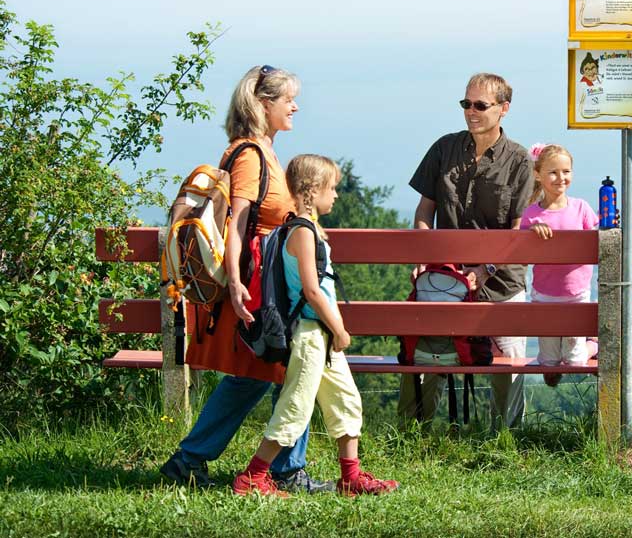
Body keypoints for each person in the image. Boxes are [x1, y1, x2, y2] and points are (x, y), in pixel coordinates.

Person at [160, 65, 332, 494]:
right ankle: (280, 470)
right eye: (287, 98)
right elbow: (237, 225)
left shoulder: (262, 151)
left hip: (265, 282)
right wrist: (236, 283)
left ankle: (195, 461)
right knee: (280, 370)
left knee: (262, 373)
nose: (295, 105)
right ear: (262, 104)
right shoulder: (252, 155)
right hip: (259, 286)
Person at [232, 155, 397, 497]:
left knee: (346, 400)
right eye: (331, 188)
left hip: (319, 334)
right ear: (312, 191)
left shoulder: (303, 228)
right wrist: (339, 329)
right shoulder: (303, 233)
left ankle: (351, 477)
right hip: (310, 335)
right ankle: (252, 478)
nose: (336, 195)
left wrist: (332, 330)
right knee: (295, 406)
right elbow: (311, 289)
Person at [399, 72, 533, 428]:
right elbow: (425, 212)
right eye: (466, 104)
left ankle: (504, 435)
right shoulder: (444, 148)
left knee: (510, 359)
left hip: (501, 285)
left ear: (504, 109)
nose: (470, 112)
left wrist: (485, 270)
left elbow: (518, 232)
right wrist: (427, 260)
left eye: (480, 105)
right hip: (446, 280)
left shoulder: (519, 161)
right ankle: (413, 432)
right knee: (428, 354)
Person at [519, 144, 599, 387]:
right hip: (545, 296)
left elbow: (596, 240)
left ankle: (593, 344)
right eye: (553, 172)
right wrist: (531, 231)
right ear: (538, 174)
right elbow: (520, 247)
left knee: (575, 362)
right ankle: (553, 361)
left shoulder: (581, 208)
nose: (560, 178)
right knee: (549, 365)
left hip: (576, 295)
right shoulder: (532, 214)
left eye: (566, 171)